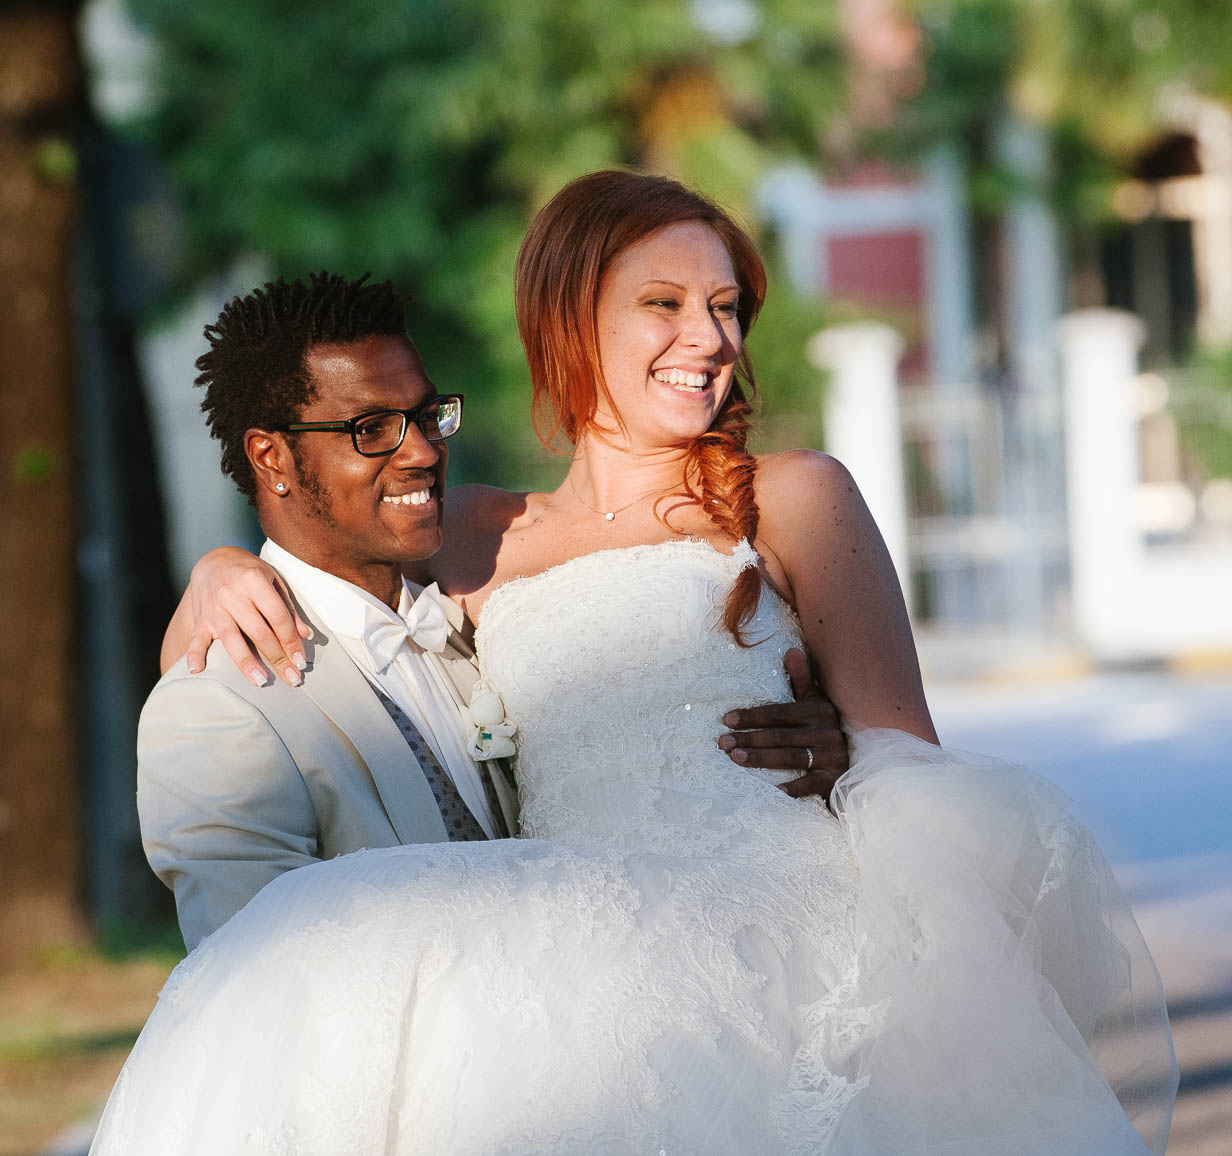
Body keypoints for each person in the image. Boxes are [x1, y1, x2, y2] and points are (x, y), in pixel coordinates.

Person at [94, 172, 1177, 1155]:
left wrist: (844, 759)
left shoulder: (795, 497)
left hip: (798, 965)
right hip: (585, 1001)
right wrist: (222, 567)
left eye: (724, 305)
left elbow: (912, 768)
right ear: (571, 316)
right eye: (663, 303)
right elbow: (319, 607)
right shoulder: (474, 535)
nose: (707, 336)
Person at [136, 272, 848, 950]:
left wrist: (823, 750)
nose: (422, 451)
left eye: (426, 415)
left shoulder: (470, 623)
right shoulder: (220, 709)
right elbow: (251, 989)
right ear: (271, 459)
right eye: (373, 428)